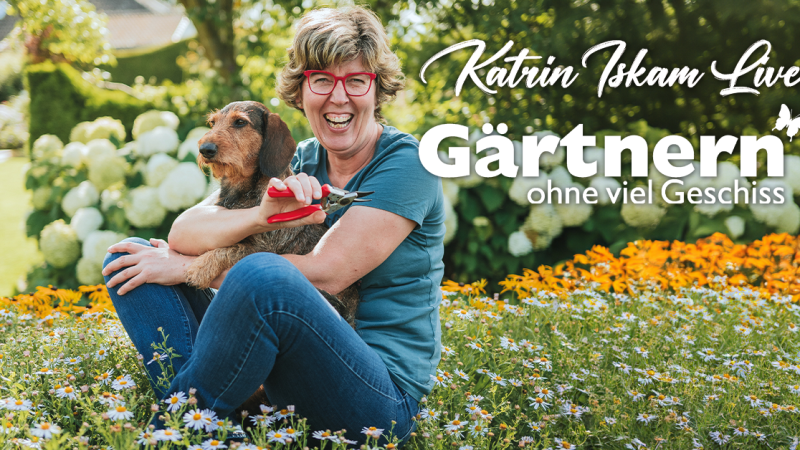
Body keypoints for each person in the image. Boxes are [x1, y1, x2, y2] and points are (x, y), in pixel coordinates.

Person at [101, 6, 444, 447]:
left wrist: (190, 270)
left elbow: (330, 272)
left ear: (377, 91)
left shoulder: (406, 164)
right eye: (321, 80)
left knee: (261, 273)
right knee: (131, 259)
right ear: (301, 91)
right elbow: (184, 232)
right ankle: (215, 427)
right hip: (289, 374)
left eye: (356, 81)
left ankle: (173, 432)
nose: (338, 98)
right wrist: (258, 217)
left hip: (376, 399)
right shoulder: (298, 158)